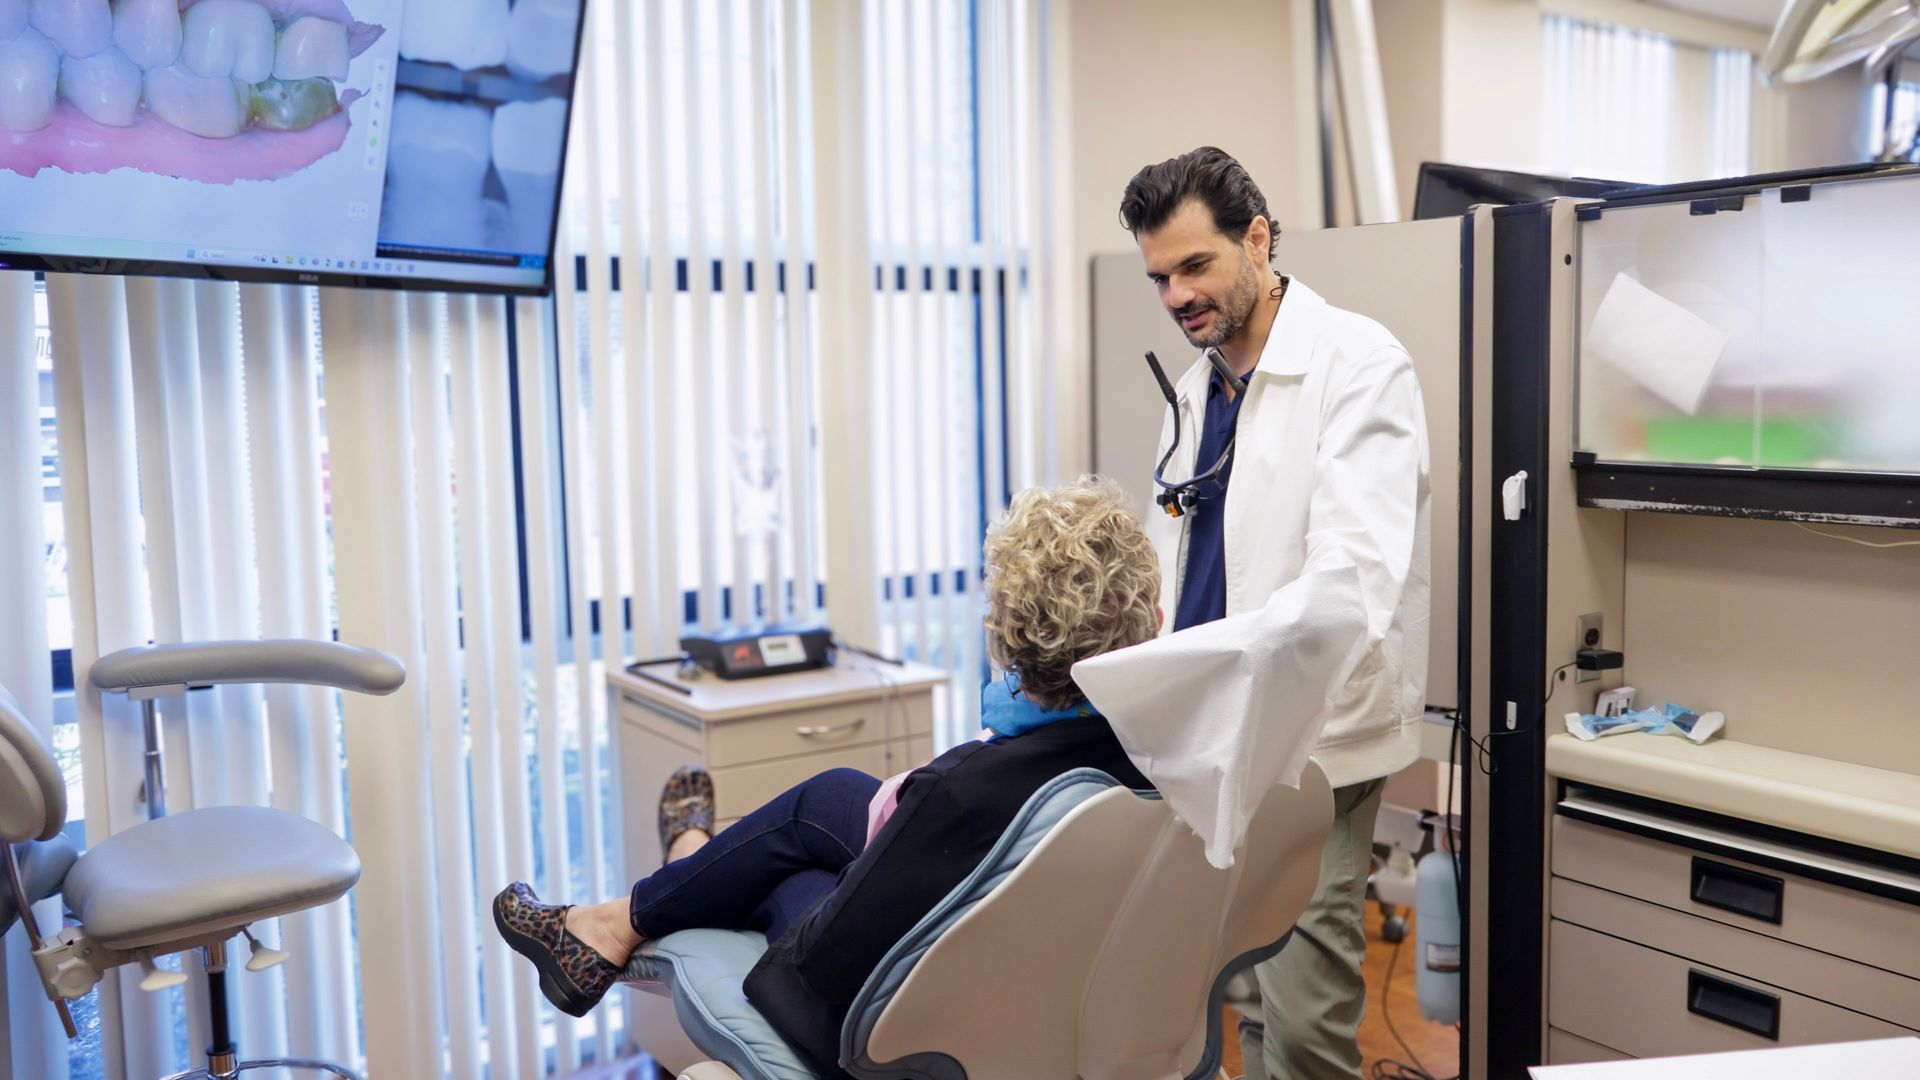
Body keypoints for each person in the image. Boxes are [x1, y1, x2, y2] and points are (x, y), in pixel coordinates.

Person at [492, 478, 1162, 1077]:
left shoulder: (958, 793)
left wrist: (837, 887)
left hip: (891, 1031)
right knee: (827, 800)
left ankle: (662, 880)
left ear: (1004, 637)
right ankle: (654, 889)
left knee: (783, 866)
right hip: (1052, 978)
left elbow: (817, 974)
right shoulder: (1158, 755)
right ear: (1152, 619)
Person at [1117, 146, 1430, 1080]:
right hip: (1207, 740)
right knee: (1226, 989)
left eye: (1195, 266)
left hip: (1310, 745)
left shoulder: (1359, 365)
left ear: (1257, 238)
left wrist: (1235, 681)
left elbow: (1352, 585)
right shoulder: (1192, 387)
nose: (1176, 296)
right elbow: (1176, 562)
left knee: (1302, 1021)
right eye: (1159, 278)